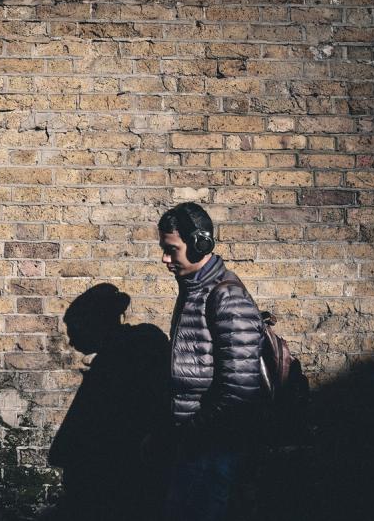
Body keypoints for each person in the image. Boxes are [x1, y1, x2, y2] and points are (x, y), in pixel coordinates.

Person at [154, 202, 264, 521]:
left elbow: (239, 391)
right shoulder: (193, 291)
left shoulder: (226, 297)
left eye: (171, 249)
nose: (165, 258)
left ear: (200, 244)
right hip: (193, 447)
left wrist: (191, 436)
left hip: (213, 451)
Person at [49, 284, 169, 521]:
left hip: (118, 475)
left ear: (93, 324)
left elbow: (90, 428)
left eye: (73, 330)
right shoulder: (140, 346)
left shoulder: (114, 362)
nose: (71, 341)